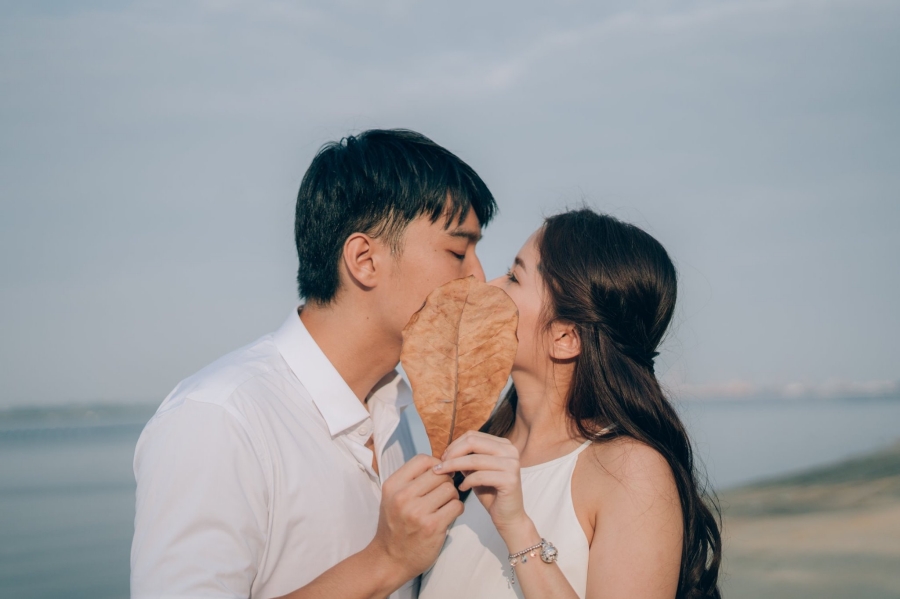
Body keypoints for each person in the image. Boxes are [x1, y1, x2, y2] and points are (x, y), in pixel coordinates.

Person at [131, 129, 497, 599]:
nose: (480, 277)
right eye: (458, 252)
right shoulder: (219, 420)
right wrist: (385, 561)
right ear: (364, 259)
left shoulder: (394, 410)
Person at [419, 209, 722, 599]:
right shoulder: (479, 444)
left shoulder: (629, 470)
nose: (490, 284)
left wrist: (518, 529)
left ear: (565, 337)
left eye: (514, 276)